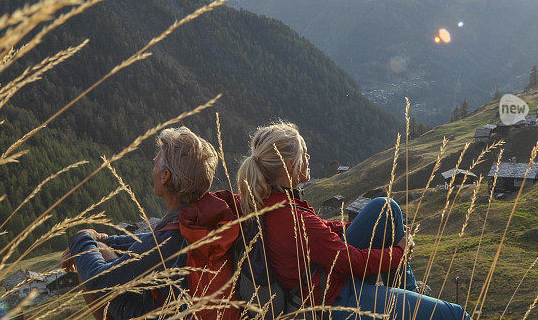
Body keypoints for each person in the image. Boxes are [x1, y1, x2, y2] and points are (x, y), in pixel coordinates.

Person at [236, 121, 471, 320]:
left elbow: (320, 232)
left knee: (385, 209)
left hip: (322, 279)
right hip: (329, 298)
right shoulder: (289, 217)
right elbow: (352, 261)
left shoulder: (271, 201)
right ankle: (414, 302)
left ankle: (409, 295)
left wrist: (352, 228)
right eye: (304, 153)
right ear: (289, 166)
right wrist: (400, 251)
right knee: (456, 314)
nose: (308, 157)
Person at [61, 126, 240, 320]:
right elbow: (148, 241)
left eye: (156, 164)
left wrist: (82, 240)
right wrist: (101, 239)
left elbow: (100, 280)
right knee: (99, 249)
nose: (153, 168)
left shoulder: (170, 238)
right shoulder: (200, 220)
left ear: (165, 176)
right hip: (189, 311)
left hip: (166, 315)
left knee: (91, 262)